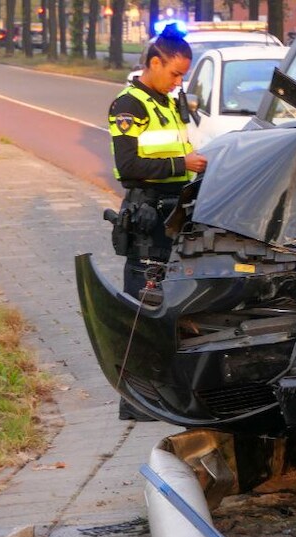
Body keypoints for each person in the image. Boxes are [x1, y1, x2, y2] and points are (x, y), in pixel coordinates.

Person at [106, 27, 206, 419]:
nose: (178, 81)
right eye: (174, 73)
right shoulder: (129, 105)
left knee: (167, 303)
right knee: (141, 305)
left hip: (171, 210)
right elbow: (127, 165)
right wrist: (183, 164)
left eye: (183, 76)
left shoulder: (165, 101)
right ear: (154, 63)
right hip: (147, 215)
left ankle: (162, 394)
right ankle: (135, 401)